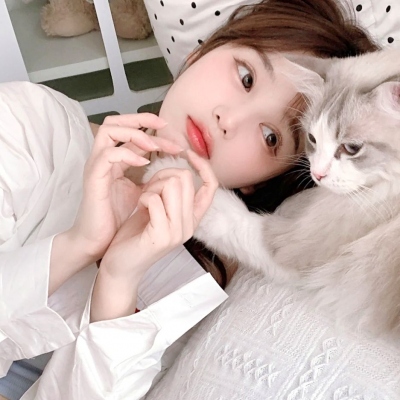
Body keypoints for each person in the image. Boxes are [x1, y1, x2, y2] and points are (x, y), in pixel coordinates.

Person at [0, 0, 378, 399]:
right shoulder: (28, 123)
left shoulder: (198, 285)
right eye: (246, 77)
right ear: (202, 52)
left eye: (271, 137)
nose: (229, 120)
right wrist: (78, 244)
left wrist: (117, 280)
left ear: (259, 182)